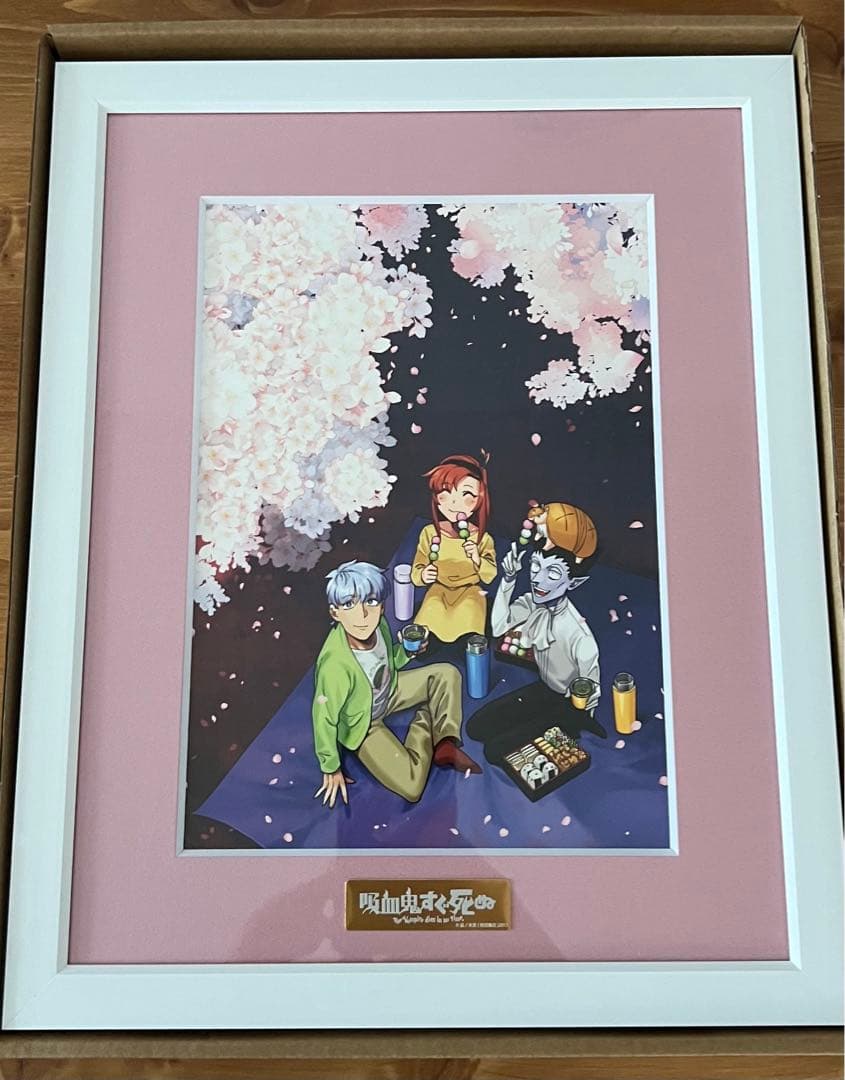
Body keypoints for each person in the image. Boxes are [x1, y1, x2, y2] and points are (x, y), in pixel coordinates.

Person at [312, 561, 481, 809]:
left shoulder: (379, 626)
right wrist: (330, 767)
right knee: (412, 786)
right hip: (363, 722)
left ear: (382, 606)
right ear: (335, 613)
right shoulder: (335, 665)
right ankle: (426, 722)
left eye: (370, 601)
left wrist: (406, 652)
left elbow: (388, 662)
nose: (362, 614)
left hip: (388, 691)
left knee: (447, 673)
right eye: (349, 604)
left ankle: (445, 742)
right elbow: (323, 717)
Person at [466, 538, 606, 751]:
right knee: (476, 728)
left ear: (573, 583)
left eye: (553, 574)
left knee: (495, 750)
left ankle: (569, 727)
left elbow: (591, 689)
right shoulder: (533, 602)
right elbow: (499, 627)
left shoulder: (579, 634)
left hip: (569, 704)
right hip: (544, 689)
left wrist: (577, 714)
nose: (538, 580)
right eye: (536, 566)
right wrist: (509, 579)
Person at [410, 453, 497, 642]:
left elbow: (490, 576)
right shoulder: (429, 533)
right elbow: (416, 572)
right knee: (426, 627)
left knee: (469, 627)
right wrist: (423, 574)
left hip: (471, 592)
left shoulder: (483, 539)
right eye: (446, 492)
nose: (454, 502)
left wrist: (477, 559)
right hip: (438, 590)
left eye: (467, 495)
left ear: (479, 500)